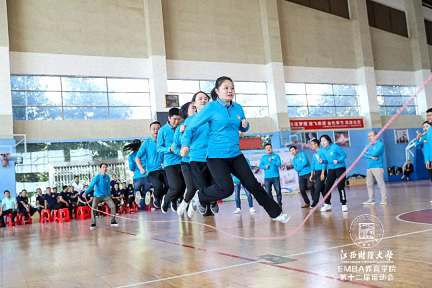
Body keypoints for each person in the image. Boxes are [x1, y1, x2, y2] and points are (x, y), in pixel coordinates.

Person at [181, 76, 289, 223]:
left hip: (235, 155)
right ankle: (199, 197)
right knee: (227, 189)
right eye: (226, 88)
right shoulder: (211, 108)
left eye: (232, 88)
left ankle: (276, 213)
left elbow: (243, 126)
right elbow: (191, 127)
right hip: (216, 157)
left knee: (253, 185)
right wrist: (186, 144)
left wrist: (245, 126)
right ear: (217, 91)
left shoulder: (238, 108)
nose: (230, 91)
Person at [180, 91, 215, 217]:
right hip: (196, 157)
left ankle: (211, 200)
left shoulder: (213, 117)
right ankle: (202, 201)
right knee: (201, 185)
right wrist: (184, 145)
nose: (204, 100)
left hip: (213, 156)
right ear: (195, 104)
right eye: (200, 98)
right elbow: (185, 136)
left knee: (216, 183)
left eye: (206, 98)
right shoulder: (190, 120)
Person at [157, 108, 186, 213]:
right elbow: (159, 148)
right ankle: (167, 200)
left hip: (183, 161)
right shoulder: (162, 130)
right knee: (176, 187)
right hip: (170, 163)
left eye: (179, 119)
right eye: (174, 119)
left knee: (184, 186)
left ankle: (174, 200)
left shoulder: (181, 128)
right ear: (169, 118)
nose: (177, 122)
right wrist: (169, 149)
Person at [174, 102, 199, 217]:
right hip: (186, 163)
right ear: (186, 112)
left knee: (202, 186)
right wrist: (180, 133)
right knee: (191, 187)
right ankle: (184, 204)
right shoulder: (181, 126)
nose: (195, 108)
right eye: (193, 107)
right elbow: (176, 145)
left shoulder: (201, 122)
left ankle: (196, 203)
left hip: (200, 161)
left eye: (196, 107)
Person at [136, 121, 168, 209]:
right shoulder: (146, 143)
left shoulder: (164, 141)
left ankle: (162, 198)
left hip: (165, 169)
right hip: (152, 171)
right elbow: (137, 158)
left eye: (158, 129)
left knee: (170, 185)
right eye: (154, 129)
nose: (156, 131)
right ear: (150, 130)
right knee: (158, 186)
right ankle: (156, 196)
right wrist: (141, 168)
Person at [84, 163, 118, 230]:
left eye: (106, 167)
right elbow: (91, 186)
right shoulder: (96, 177)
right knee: (93, 208)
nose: (105, 168)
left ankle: (113, 221)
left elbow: (108, 187)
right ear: (100, 168)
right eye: (103, 167)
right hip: (97, 196)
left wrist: (109, 195)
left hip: (106, 196)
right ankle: (93, 223)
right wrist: (85, 192)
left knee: (113, 206)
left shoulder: (108, 177)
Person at [319, 134, 348, 212]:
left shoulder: (335, 147)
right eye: (321, 141)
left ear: (328, 140)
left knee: (340, 186)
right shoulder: (322, 150)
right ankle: (327, 204)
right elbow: (326, 161)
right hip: (331, 169)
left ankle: (344, 204)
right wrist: (322, 161)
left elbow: (344, 155)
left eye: (324, 140)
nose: (323, 142)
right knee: (327, 187)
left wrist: (338, 160)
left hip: (340, 168)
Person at [363, 131, 388, 205]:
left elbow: (375, 153)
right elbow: (363, 154)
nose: (369, 137)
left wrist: (368, 154)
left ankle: (384, 199)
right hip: (369, 167)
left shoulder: (380, 144)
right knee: (369, 184)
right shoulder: (368, 145)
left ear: (376, 136)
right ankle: (371, 199)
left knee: (380, 184)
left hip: (377, 167)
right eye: (368, 136)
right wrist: (371, 156)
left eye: (370, 136)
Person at [259, 143, 283, 208]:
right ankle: (273, 204)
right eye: (267, 148)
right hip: (267, 178)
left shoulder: (276, 156)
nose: (268, 149)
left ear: (271, 148)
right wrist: (265, 167)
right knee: (268, 192)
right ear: (265, 149)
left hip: (275, 176)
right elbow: (260, 166)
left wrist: (273, 161)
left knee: (278, 191)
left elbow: (279, 164)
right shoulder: (263, 157)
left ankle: (279, 204)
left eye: (269, 148)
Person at [309, 139, 326, 208]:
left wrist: (323, 173)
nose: (311, 146)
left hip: (322, 171)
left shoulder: (322, 152)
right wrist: (311, 175)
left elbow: (324, 163)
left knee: (317, 187)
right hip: (316, 173)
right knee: (322, 188)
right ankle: (327, 202)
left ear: (316, 144)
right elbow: (312, 165)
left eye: (312, 144)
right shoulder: (314, 154)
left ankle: (315, 202)